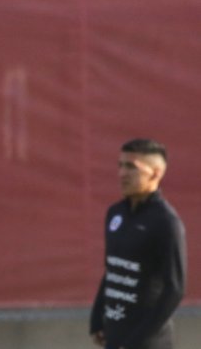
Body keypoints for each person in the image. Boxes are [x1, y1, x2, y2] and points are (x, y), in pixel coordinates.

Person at [90, 138, 186, 349]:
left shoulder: (166, 222)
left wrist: (138, 340)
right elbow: (113, 268)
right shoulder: (115, 213)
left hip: (147, 341)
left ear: (155, 173)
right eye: (120, 165)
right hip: (116, 333)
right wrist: (97, 317)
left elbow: (175, 289)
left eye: (131, 167)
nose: (122, 173)